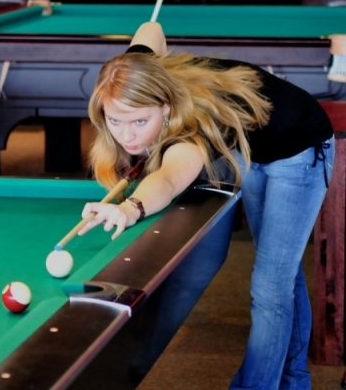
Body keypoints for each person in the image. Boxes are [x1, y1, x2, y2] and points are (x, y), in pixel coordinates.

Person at [77, 21, 335, 389]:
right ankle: (294, 381)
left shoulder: (191, 129)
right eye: (115, 120)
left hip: (299, 144)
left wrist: (131, 207)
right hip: (252, 143)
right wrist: (143, 53)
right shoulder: (133, 72)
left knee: (270, 283)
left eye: (140, 120)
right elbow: (151, 29)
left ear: (166, 107)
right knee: (282, 272)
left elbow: (168, 178)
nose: (127, 135)